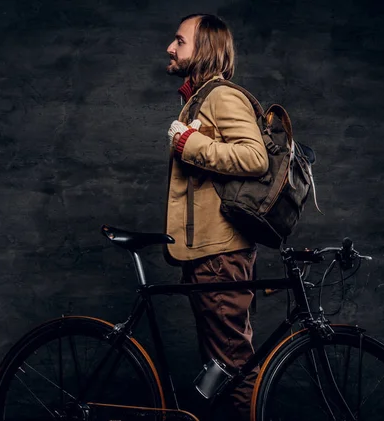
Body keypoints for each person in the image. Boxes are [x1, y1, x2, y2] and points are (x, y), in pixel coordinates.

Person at [164, 13, 268, 420]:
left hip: (219, 256)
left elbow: (255, 157)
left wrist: (190, 144)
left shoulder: (221, 96)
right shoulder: (199, 99)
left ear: (204, 49)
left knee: (234, 368)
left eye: (179, 41)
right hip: (206, 255)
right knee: (222, 368)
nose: (170, 49)